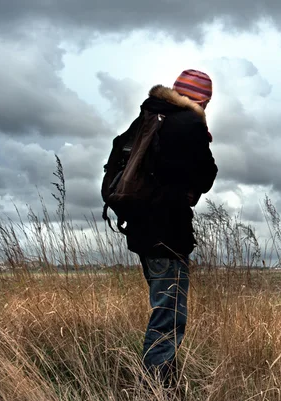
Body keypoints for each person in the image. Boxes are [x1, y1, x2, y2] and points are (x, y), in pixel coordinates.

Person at [123, 69, 218, 386]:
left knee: (163, 308)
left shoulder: (149, 118)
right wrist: (202, 133)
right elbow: (206, 173)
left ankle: (165, 380)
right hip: (168, 233)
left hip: (141, 230)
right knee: (168, 315)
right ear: (201, 99)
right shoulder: (188, 123)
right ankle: (154, 388)